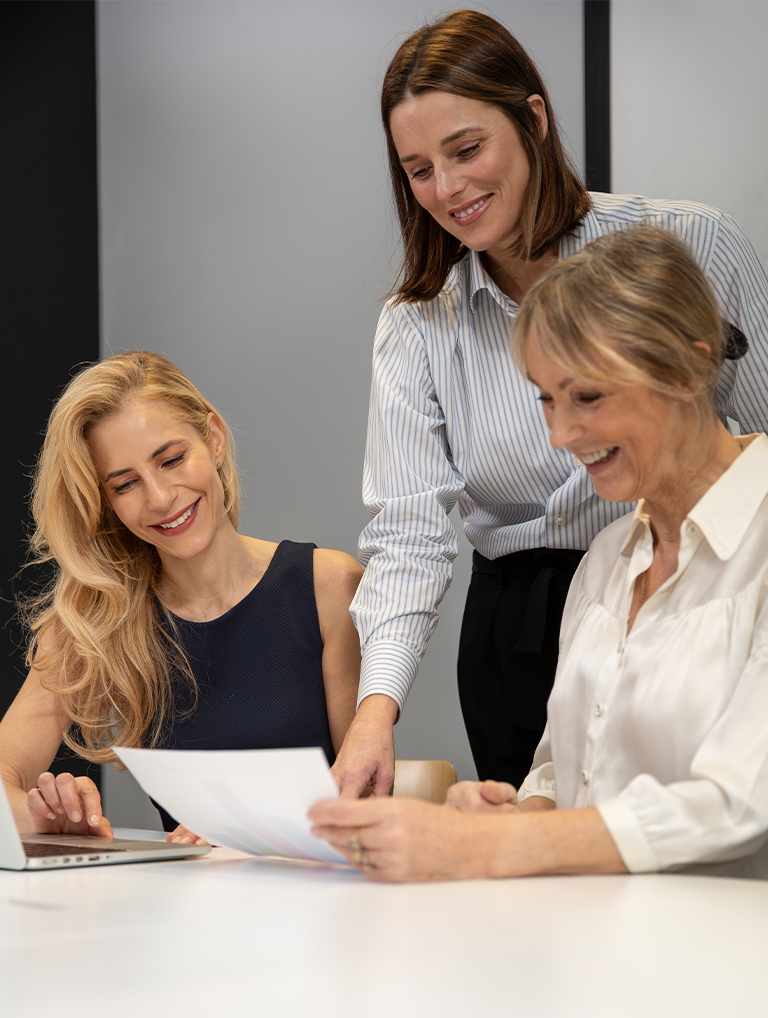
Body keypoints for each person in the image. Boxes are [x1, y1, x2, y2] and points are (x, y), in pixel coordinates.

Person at [332, 8, 768, 797]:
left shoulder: (689, 245)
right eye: (419, 169)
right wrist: (374, 712)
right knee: (535, 828)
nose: (448, 187)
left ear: (532, 119)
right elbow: (410, 535)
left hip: (691, 589)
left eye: (466, 150)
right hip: (521, 624)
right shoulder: (419, 321)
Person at [310, 224, 768, 881]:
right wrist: (517, 814)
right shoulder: (608, 560)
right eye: (547, 401)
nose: (559, 435)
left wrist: (493, 848)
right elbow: (562, 763)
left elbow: (737, 801)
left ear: (690, 367)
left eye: (587, 398)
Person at [0, 351, 362, 843]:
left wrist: (249, 821)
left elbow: (365, 799)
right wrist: (42, 817)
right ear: (106, 502)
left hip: (323, 898)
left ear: (213, 438)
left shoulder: (329, 585)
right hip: (181, 907)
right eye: (126, 484)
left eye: (171, 460)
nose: (160, 498)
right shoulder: (94, 620)